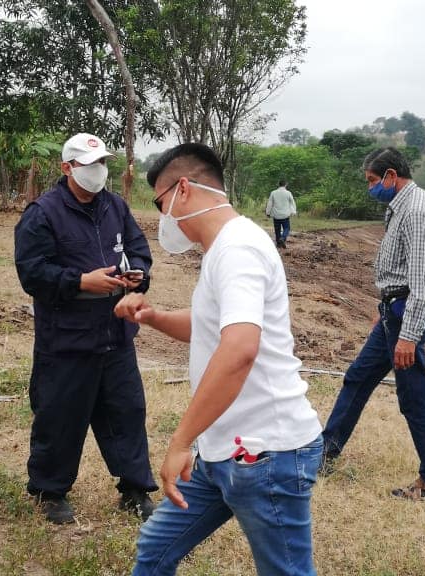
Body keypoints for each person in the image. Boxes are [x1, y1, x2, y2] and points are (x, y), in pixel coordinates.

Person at [117, 143, 324, 575]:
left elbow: (239, 349)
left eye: (159, 203)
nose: (163, 217)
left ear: (183, 189)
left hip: (263, 453)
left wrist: (180, 441)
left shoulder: (237, 249)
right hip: (222, 451)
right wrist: (154, 317)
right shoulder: (223, 248)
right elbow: (211, 325)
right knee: (155, 548)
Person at [13, 133, 158, 524]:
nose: (99, 171)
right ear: (67, 168)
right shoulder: (42, 213)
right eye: (89, 164)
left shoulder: (116, 207)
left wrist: (138, 275)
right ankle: (49, 491)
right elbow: (32, 273)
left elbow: (138, 249)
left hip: (115, 334)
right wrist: (80, 281)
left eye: (103, 163)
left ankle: (135, 489)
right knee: (60, 414)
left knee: (126, 411)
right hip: (67, 337)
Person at [321, 146, 425, 500]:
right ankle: (325, 451)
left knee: (414, 398)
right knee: (358, 377)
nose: (370, 188)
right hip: (394, 311)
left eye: (372, 180)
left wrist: (408, 336)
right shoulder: (402, 206)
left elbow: (421, 282)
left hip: (407, 315)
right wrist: (387, 309)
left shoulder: (416, 211)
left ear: (391, 176)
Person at [264, 179, 297, 248]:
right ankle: (283, 238)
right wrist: (293, 211)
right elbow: (292, 203)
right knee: (286, 228)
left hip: (276, 215)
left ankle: (278, 244)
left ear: (278, 185)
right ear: (286, 185)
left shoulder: (273, 193)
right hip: (285, 215)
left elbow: (270, 203)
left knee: (277, 230)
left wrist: (268, 212)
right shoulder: (288, 193)